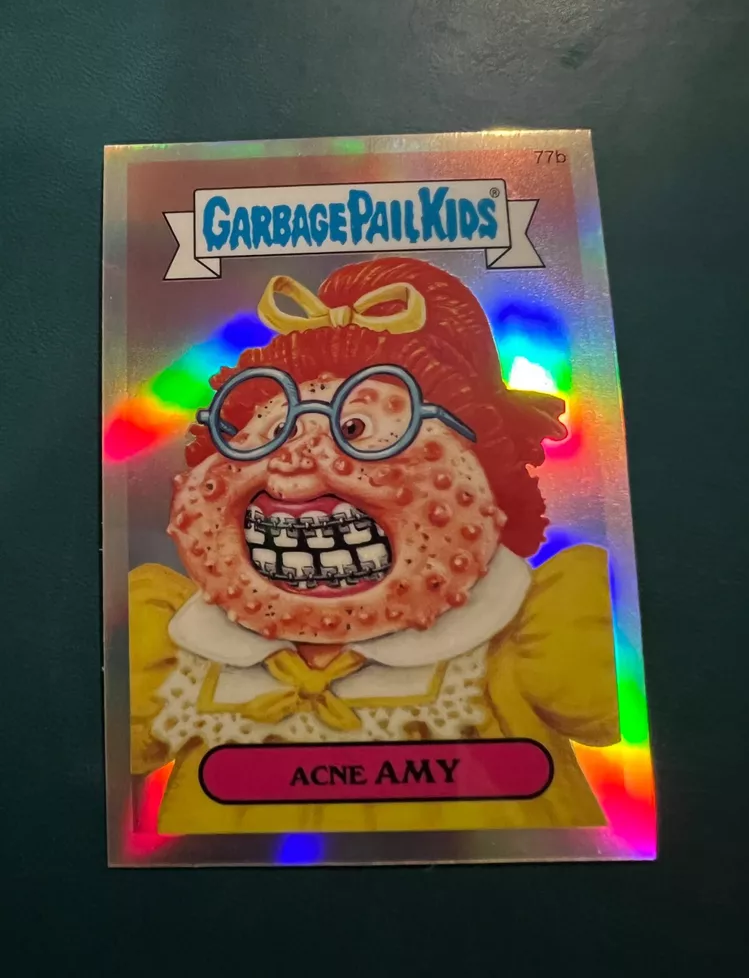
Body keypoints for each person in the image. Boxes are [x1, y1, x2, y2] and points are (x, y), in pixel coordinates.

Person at [129, 256, 619, 834]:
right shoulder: (171, 642)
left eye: (355, 429)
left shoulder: (538, 628)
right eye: (275, 428)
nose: (292, 467)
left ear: (480, 476)